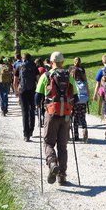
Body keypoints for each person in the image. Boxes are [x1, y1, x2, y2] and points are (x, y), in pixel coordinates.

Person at [35, 51, 78, 185]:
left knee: (48, 142)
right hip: (65, 114)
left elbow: (37, 97)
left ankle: (52, 163)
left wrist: (39, 106)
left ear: (51, 62)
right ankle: (62, 176)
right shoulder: (68, 76)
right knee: (62, 146)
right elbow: (75, 98)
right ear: (63, 62)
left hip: (51, 113)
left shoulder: (46, 76)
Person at [14, 53, 38, 142]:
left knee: (25, 112)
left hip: (22, 90)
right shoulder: (34, 66)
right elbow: (38, 79)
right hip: (32, 89)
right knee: (32, 109)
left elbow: (15, 80)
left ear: (23, 58)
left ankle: (26, 134)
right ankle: (31, 130)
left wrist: (16, 90)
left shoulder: (19, 66)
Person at [69, 57, 89, 143]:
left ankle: (76, 135)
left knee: (75, 117)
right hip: (83, 100)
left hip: (75, 100)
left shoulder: (73, 80)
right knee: (82, 116)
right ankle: (84, 130)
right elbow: (87, 86)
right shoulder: (83, 77)